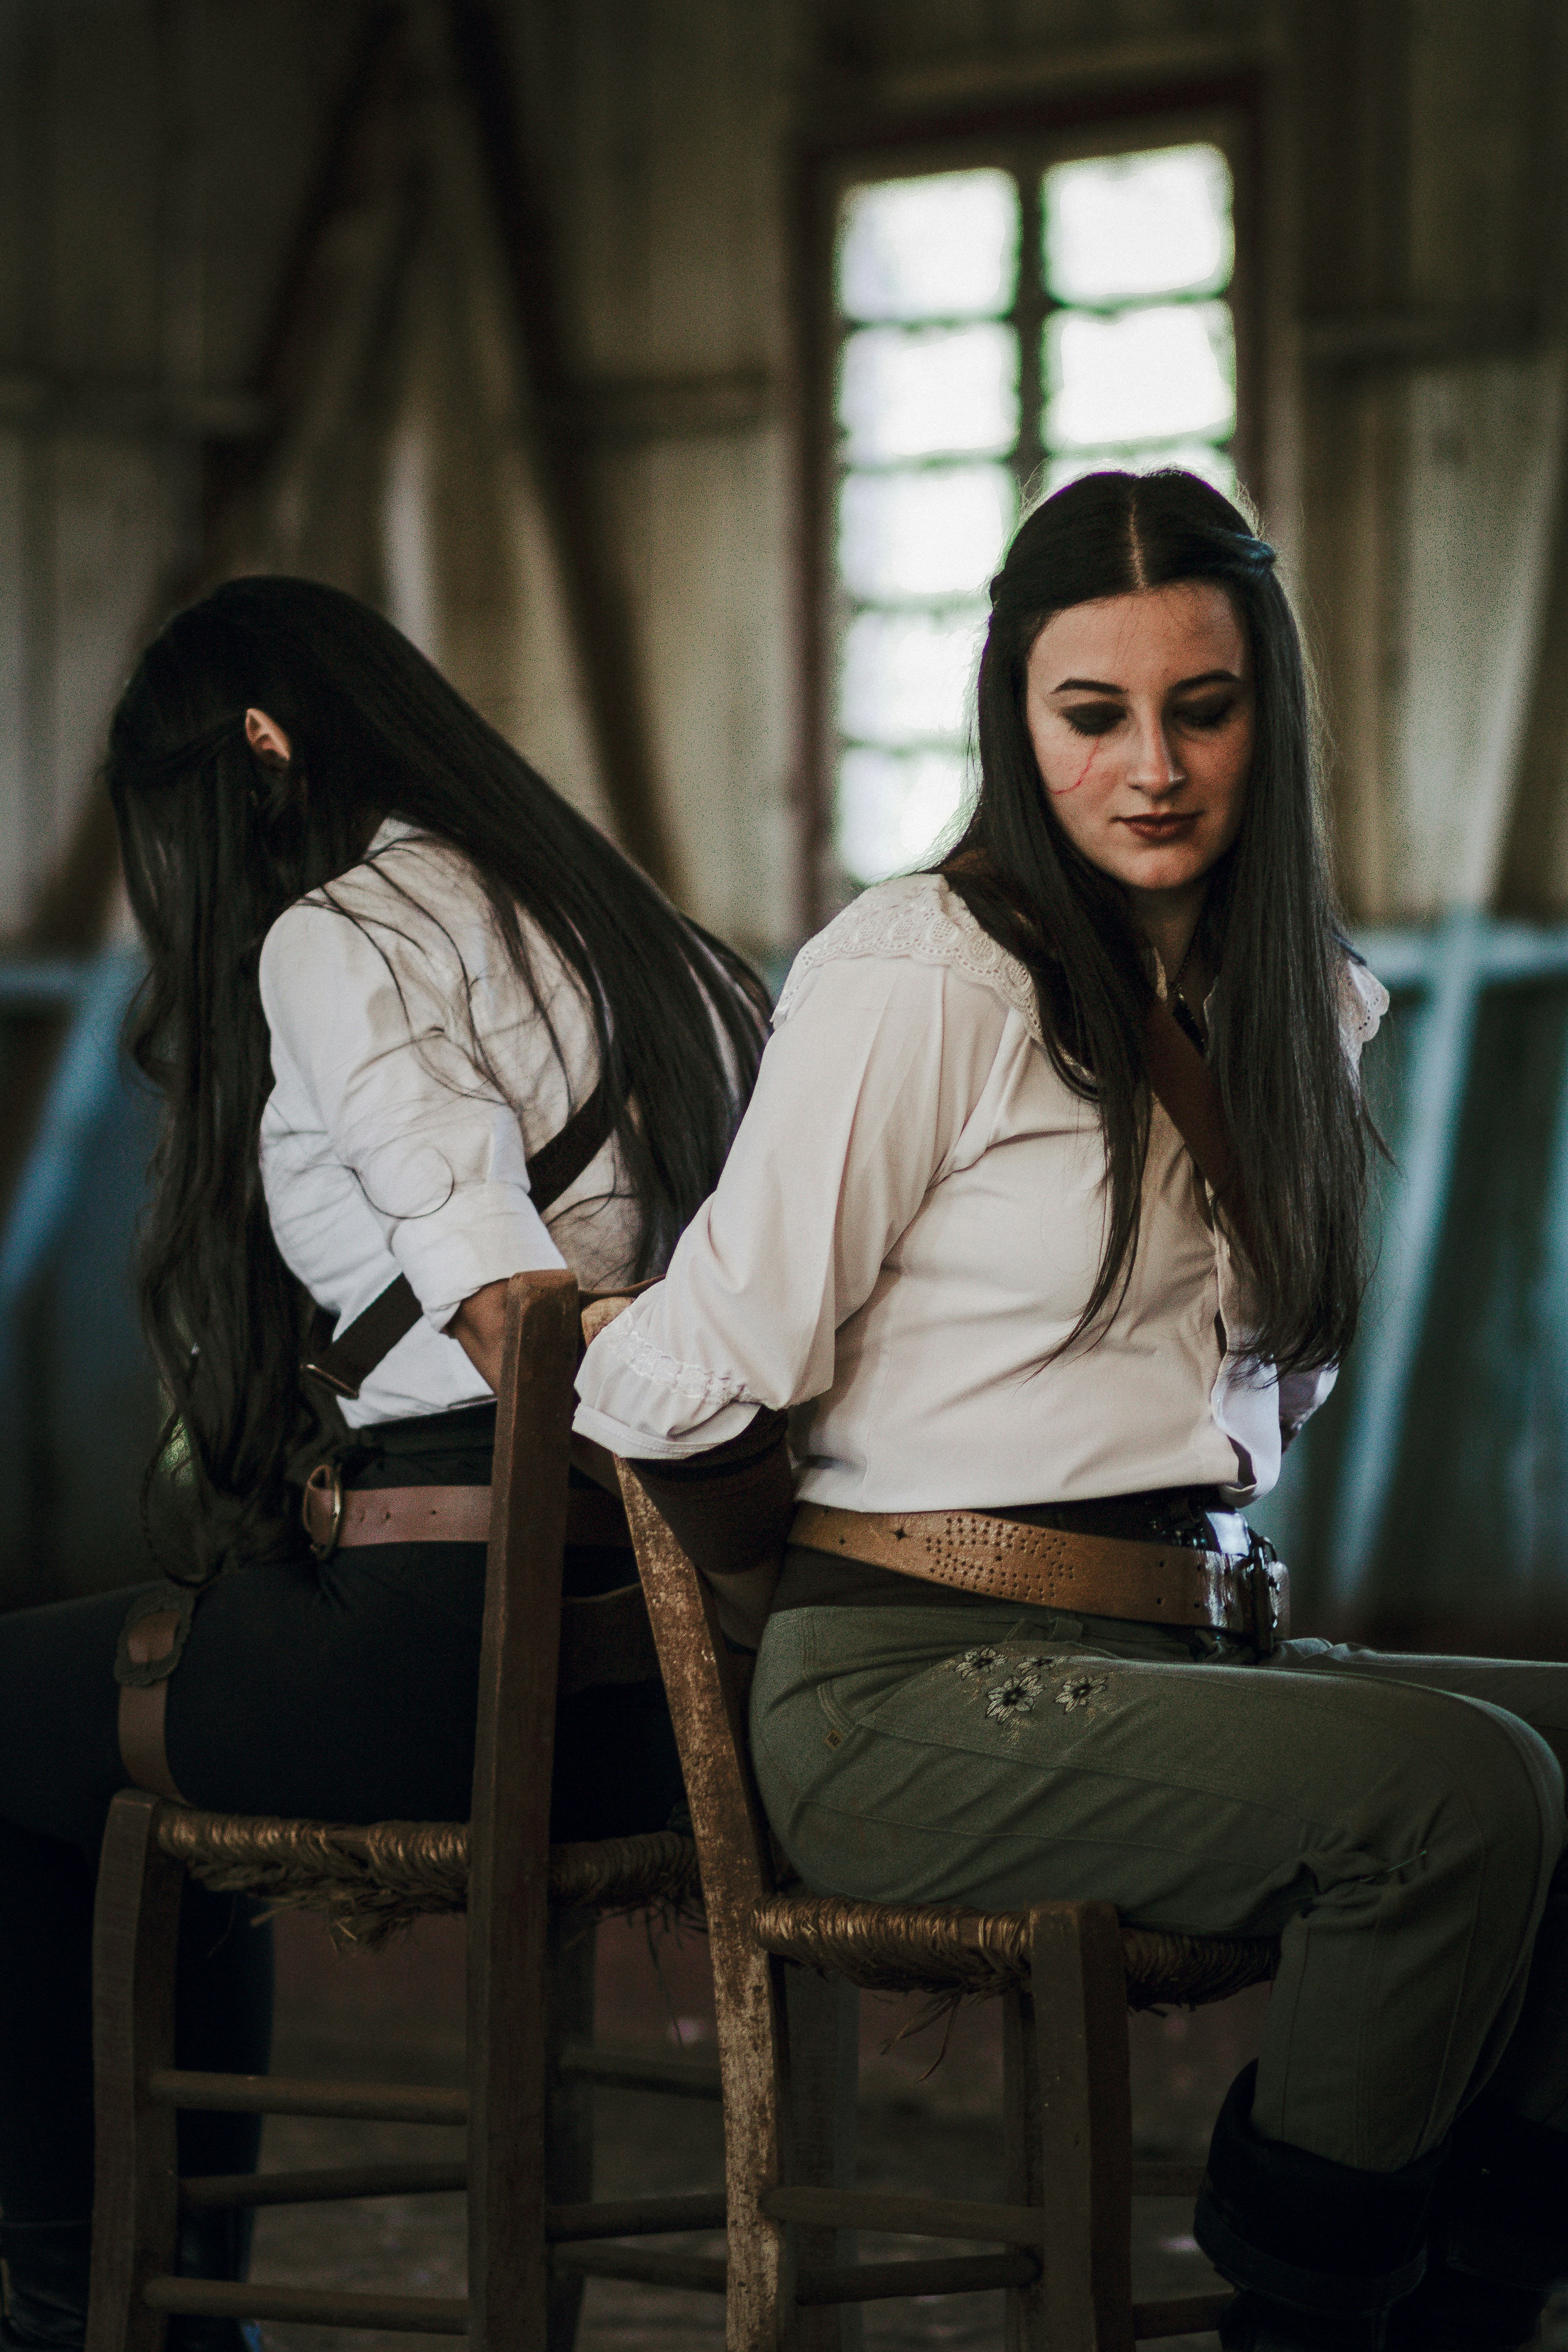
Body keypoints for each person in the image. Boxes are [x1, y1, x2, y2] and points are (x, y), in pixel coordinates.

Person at [575, 469, 1568, 2352]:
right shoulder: (920, 967)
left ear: (1265, 707)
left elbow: (1267, 1391)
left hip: (1187, 1648)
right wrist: (575, 1346)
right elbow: (696, 1363)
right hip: (904, 1690)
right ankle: (1309, 2314)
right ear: (1015, 725)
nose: (1154, 766)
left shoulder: (1299, 997)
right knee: (1452, 1800)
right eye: (1090, 714)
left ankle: (1474, 2301)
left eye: (1203, 706)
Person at [0, 574, 769, 2351]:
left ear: (259, 752)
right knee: (154, 1776)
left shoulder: (343, 932)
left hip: (458, 1650)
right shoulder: (659, 938)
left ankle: (84, 2313)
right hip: (680, 1683)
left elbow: (508, 1311)